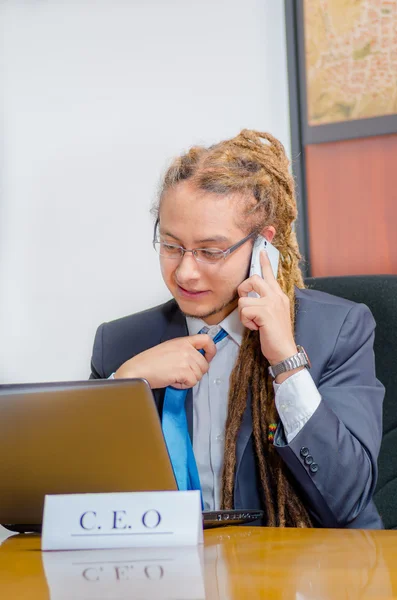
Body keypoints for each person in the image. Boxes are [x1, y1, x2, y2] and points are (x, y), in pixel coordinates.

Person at [90, 130, 384, 528]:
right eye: (172, 245)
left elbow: (347, 500)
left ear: (263, 245)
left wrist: (287, 364)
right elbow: (81, 505)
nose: (185, 271)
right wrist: (125, 385)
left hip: (306, 573)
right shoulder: (120, 344)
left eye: (211, 251)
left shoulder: (337, 330)